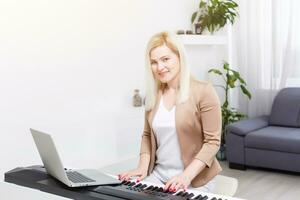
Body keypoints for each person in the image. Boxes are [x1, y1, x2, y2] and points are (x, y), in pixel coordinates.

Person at [119, 31, 222, 193]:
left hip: (194, 179)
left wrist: (185, 177)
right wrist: (142, 167)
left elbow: (212, 143)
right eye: (154, 62)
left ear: (180, 57)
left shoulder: (203, 91)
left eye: (165, 59)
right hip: (159, 176)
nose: (159, 67)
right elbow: (147, 135)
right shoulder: (153, 95)